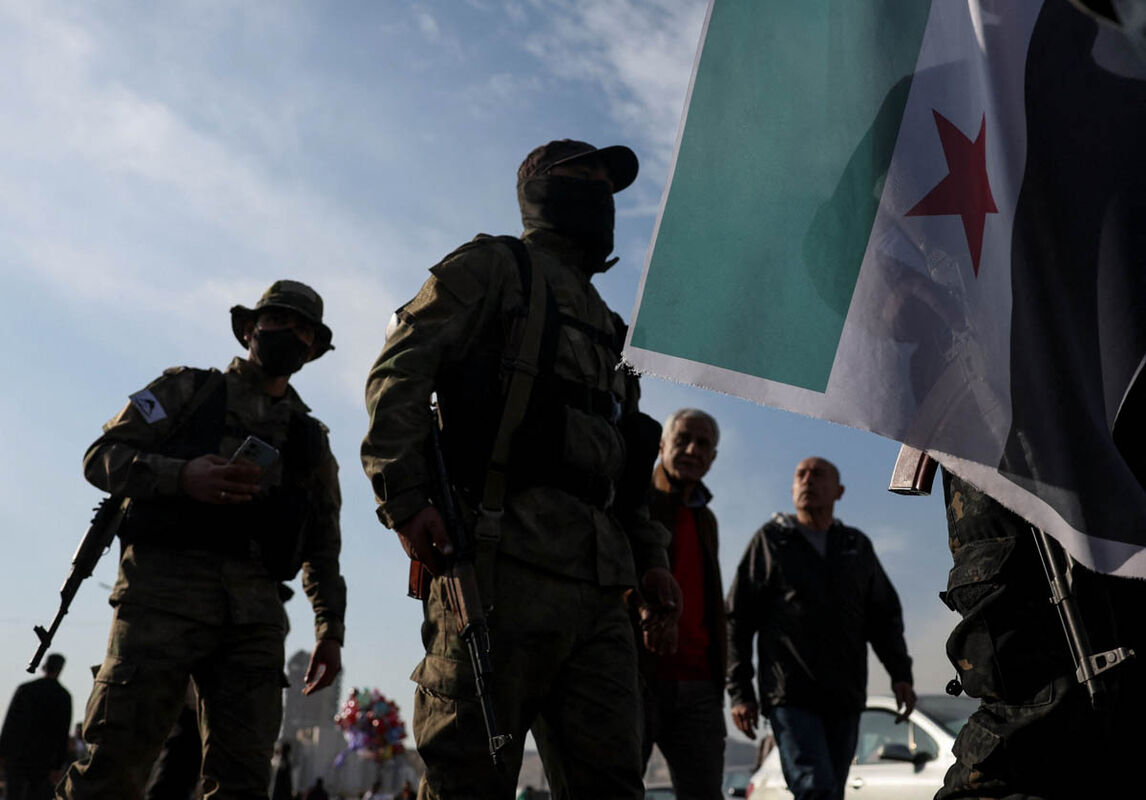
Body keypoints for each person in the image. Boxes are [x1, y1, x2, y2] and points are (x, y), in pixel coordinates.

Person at [361, 139, 679, 799]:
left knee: (614, 783)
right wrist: (404, 496)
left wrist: (650, 561)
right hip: (497, 567)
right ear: (538, 190)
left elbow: (626, 469)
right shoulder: (495, 268)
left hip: (599, 594)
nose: (599, 192)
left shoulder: (616, 331)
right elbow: (400, 371)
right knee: (466, 780)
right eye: (581, 175)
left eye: (606, 183)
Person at [58, 280, 347, 799]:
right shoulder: (185, 392)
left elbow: (323, 542)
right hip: (160, 600)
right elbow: (100, 456)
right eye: (280, 320)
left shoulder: (310, 439)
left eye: (304, 330)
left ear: (313, 350)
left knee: (241, 783)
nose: (292, 335)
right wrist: (181, 475)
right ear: (249, 330)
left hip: (254, 620)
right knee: (113, 768)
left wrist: (330, 629)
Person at [726, 457, 916, 800]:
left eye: (818, 474)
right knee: (816, 789)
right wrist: (740, 692)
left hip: (844, 696)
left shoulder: (854, 546)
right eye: (801, 474)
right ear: (792, 487)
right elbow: (738, 618)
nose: (808, 480)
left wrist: (900, 673)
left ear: (839, 491)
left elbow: (884, 616)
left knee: (831, 790)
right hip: (790, 695)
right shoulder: (771, 542)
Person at [639, 409, 726, 799]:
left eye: (703, 444)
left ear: (713, 458)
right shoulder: (635, 501)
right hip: (638, 677)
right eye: (683, 439)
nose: (692, 450)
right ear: (662, 445)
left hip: (699, 686)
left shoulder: (707, 519)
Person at [0, 653, 72, 800]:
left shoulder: (25, 690)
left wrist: (2, 753)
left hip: (17, 757)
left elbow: (10, 725)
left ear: (44, 667)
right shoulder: (63, 697)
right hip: (44, 762)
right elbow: (62, 734)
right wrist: (57, 765)